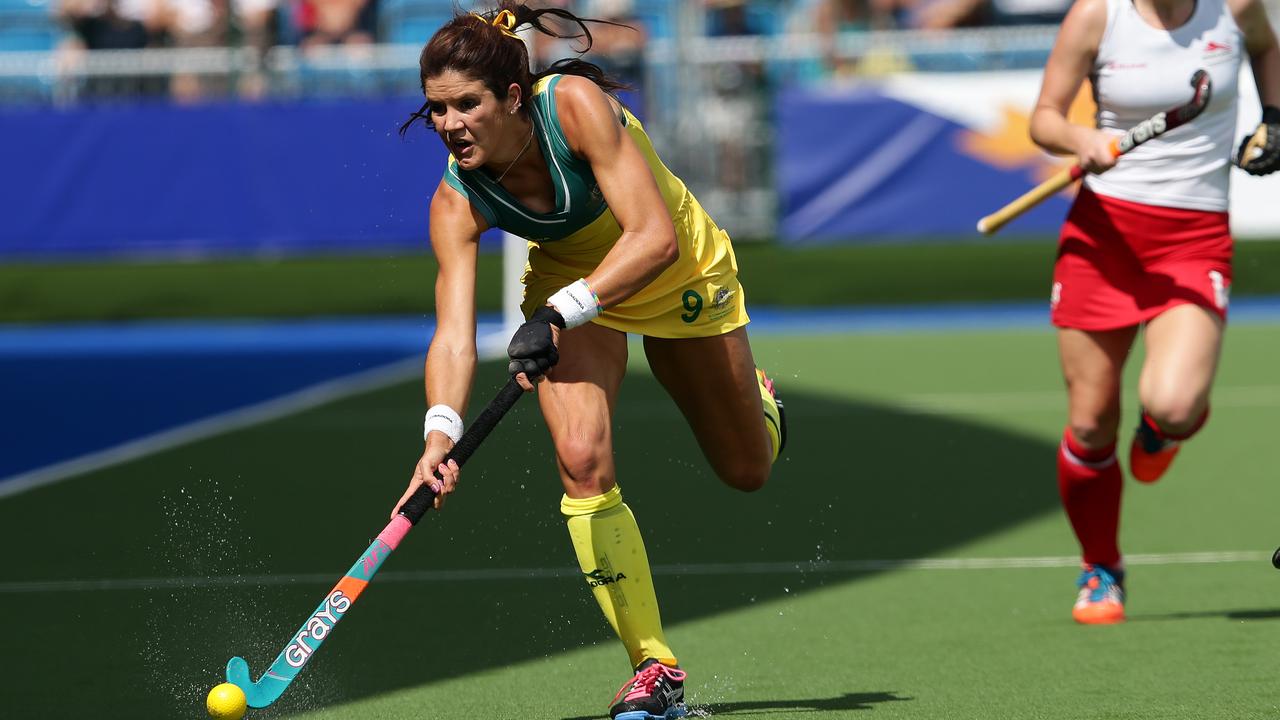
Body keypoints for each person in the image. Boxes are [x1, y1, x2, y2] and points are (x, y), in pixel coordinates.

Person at [392, 3, 787, 718]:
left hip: (674, 271)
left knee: (746, 469)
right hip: (570, 285)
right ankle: (654, 666)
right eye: (436, 111)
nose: (449, 126)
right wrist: (438, 436)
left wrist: (556, 315)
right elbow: (452, 335)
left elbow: (654, 236)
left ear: (512, 97)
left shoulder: (573, 105)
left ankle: (760, 404)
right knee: (579, 457)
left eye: (465, 106)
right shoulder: (456, 199)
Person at [1029, 0, 1279, 624]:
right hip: (1102, 239)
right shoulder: (1096, 16)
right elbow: (1043, 120)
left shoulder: (1235, 9)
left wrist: (1274, 117)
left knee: (1172, 403)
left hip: (1194, 241)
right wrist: (1082, 138)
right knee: (1089, 423)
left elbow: (1268, 49)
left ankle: (1166, 427)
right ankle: (1101, 567)